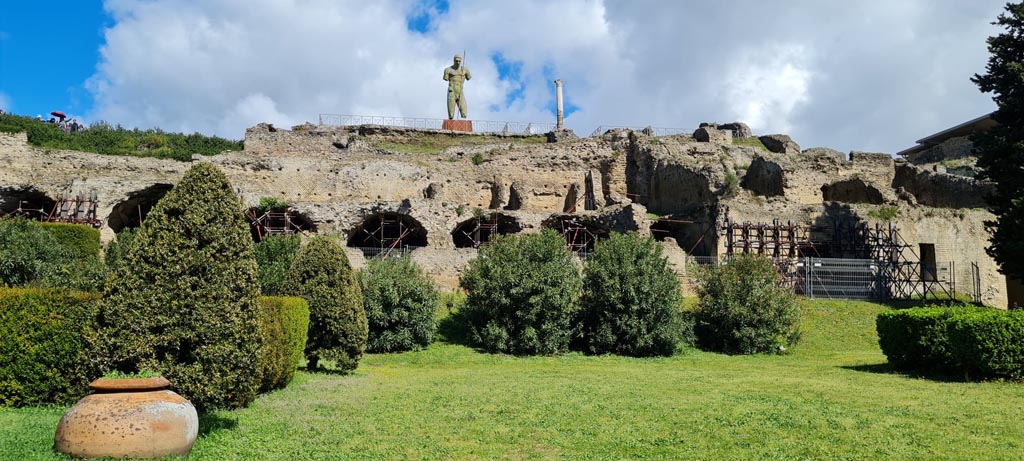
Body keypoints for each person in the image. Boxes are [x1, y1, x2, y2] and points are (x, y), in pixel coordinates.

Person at [443, 54, 471, 119]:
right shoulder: (448, 70)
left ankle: (463, 123)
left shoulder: (465, 70)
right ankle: (450, 122)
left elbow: (468, 77)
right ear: (454, 61)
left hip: (460, 90)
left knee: (464, 112)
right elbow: (446, 78)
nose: (458, 62)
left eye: (459, 61)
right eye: (456, 61)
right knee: (451, 113)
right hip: (451, 90)